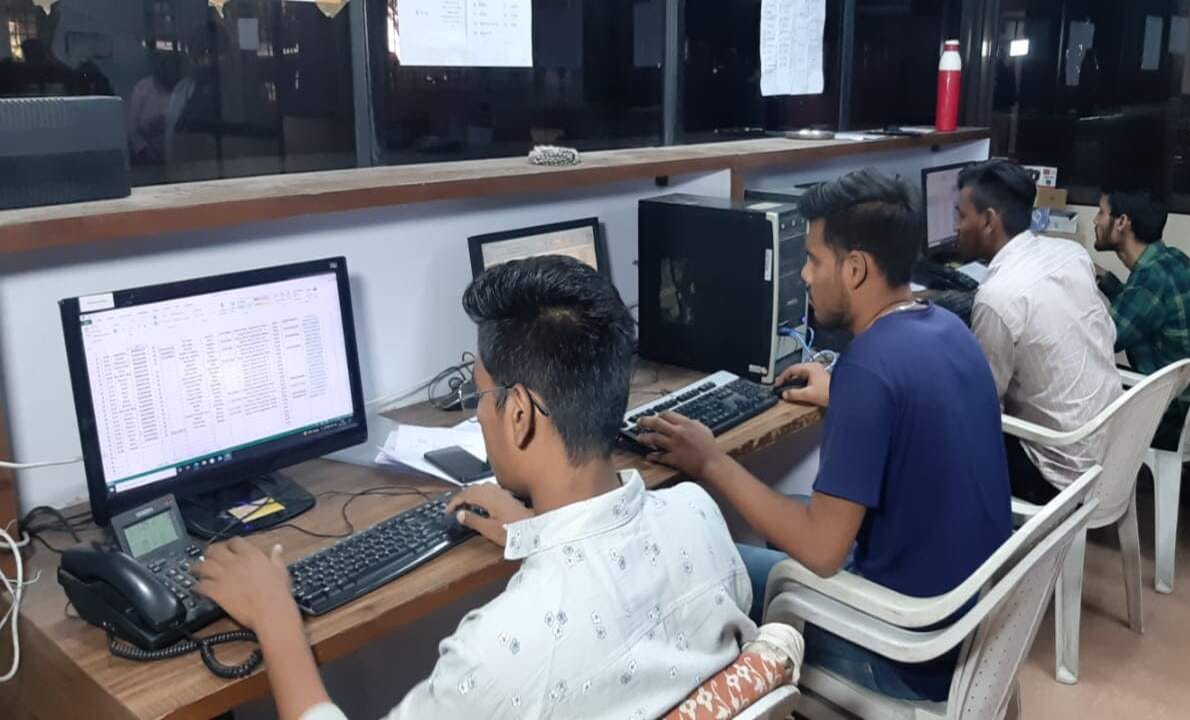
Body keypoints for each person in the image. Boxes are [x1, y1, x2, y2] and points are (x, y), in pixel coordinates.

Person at [195, 256, 755, 720]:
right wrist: (532, 532)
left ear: (519, 415)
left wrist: (276, 620)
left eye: (480, 396)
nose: (479, 413)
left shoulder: (501, 653)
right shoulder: (699, 514)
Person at [637, 169, 1012, 703]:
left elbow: (821, 551)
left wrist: (710, 460)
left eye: (813, 260)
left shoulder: (871, 368)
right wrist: (843, 392)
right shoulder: (947, 329)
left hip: (904, 652)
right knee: (784, 515)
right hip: (970, 624)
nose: (805, 276)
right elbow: (912, 404)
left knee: (702, 562)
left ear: (855, 269)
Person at [955, 159, 1122, 504]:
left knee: (935, 435)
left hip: (1058, 472)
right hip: (1113, 448)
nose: (955, 227)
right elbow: (1107, 332)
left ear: (988, 221)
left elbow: (983, 404)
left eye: (961, 216)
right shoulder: (1071, 254)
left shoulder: (997, 297)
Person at [1094, 190, 1190, 449]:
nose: (1095, 220)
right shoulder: (1173, 258)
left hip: (1171, 414)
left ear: (1122, 222)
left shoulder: (1150, 279)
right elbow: (1142, 309)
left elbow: (1099, 341)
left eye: (1101, 212)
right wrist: (1103, 278)